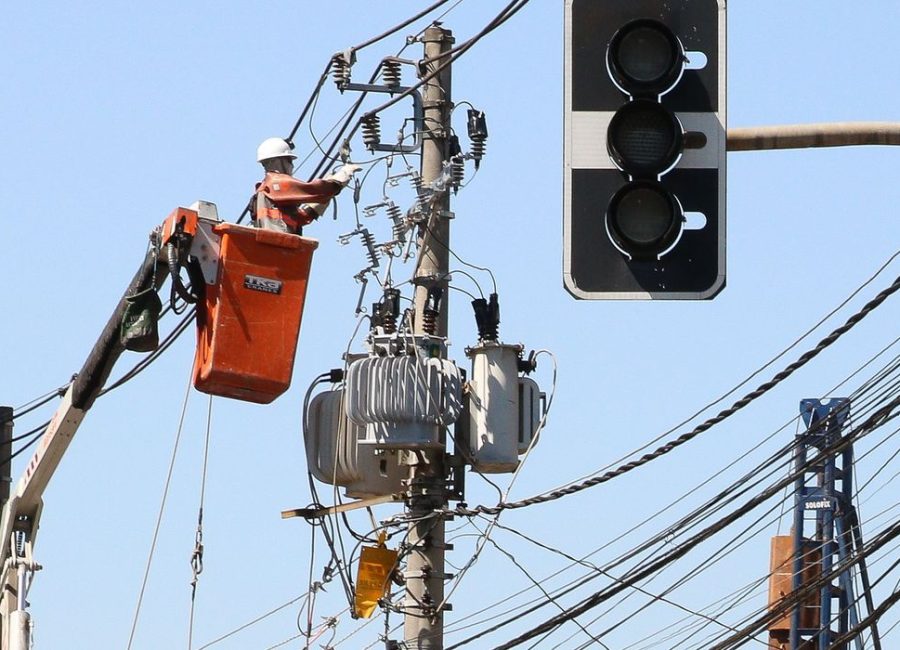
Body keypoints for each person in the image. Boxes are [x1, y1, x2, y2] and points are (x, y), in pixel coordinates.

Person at [252, 137, 360, 234]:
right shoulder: (275, 183)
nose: (292, 166)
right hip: (279, 245)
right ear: (277, 161)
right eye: (289, 161)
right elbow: (317, 191)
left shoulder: (264, 192)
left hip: (276, 249)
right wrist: (343, 174)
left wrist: (323, 197)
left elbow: (301, 217)